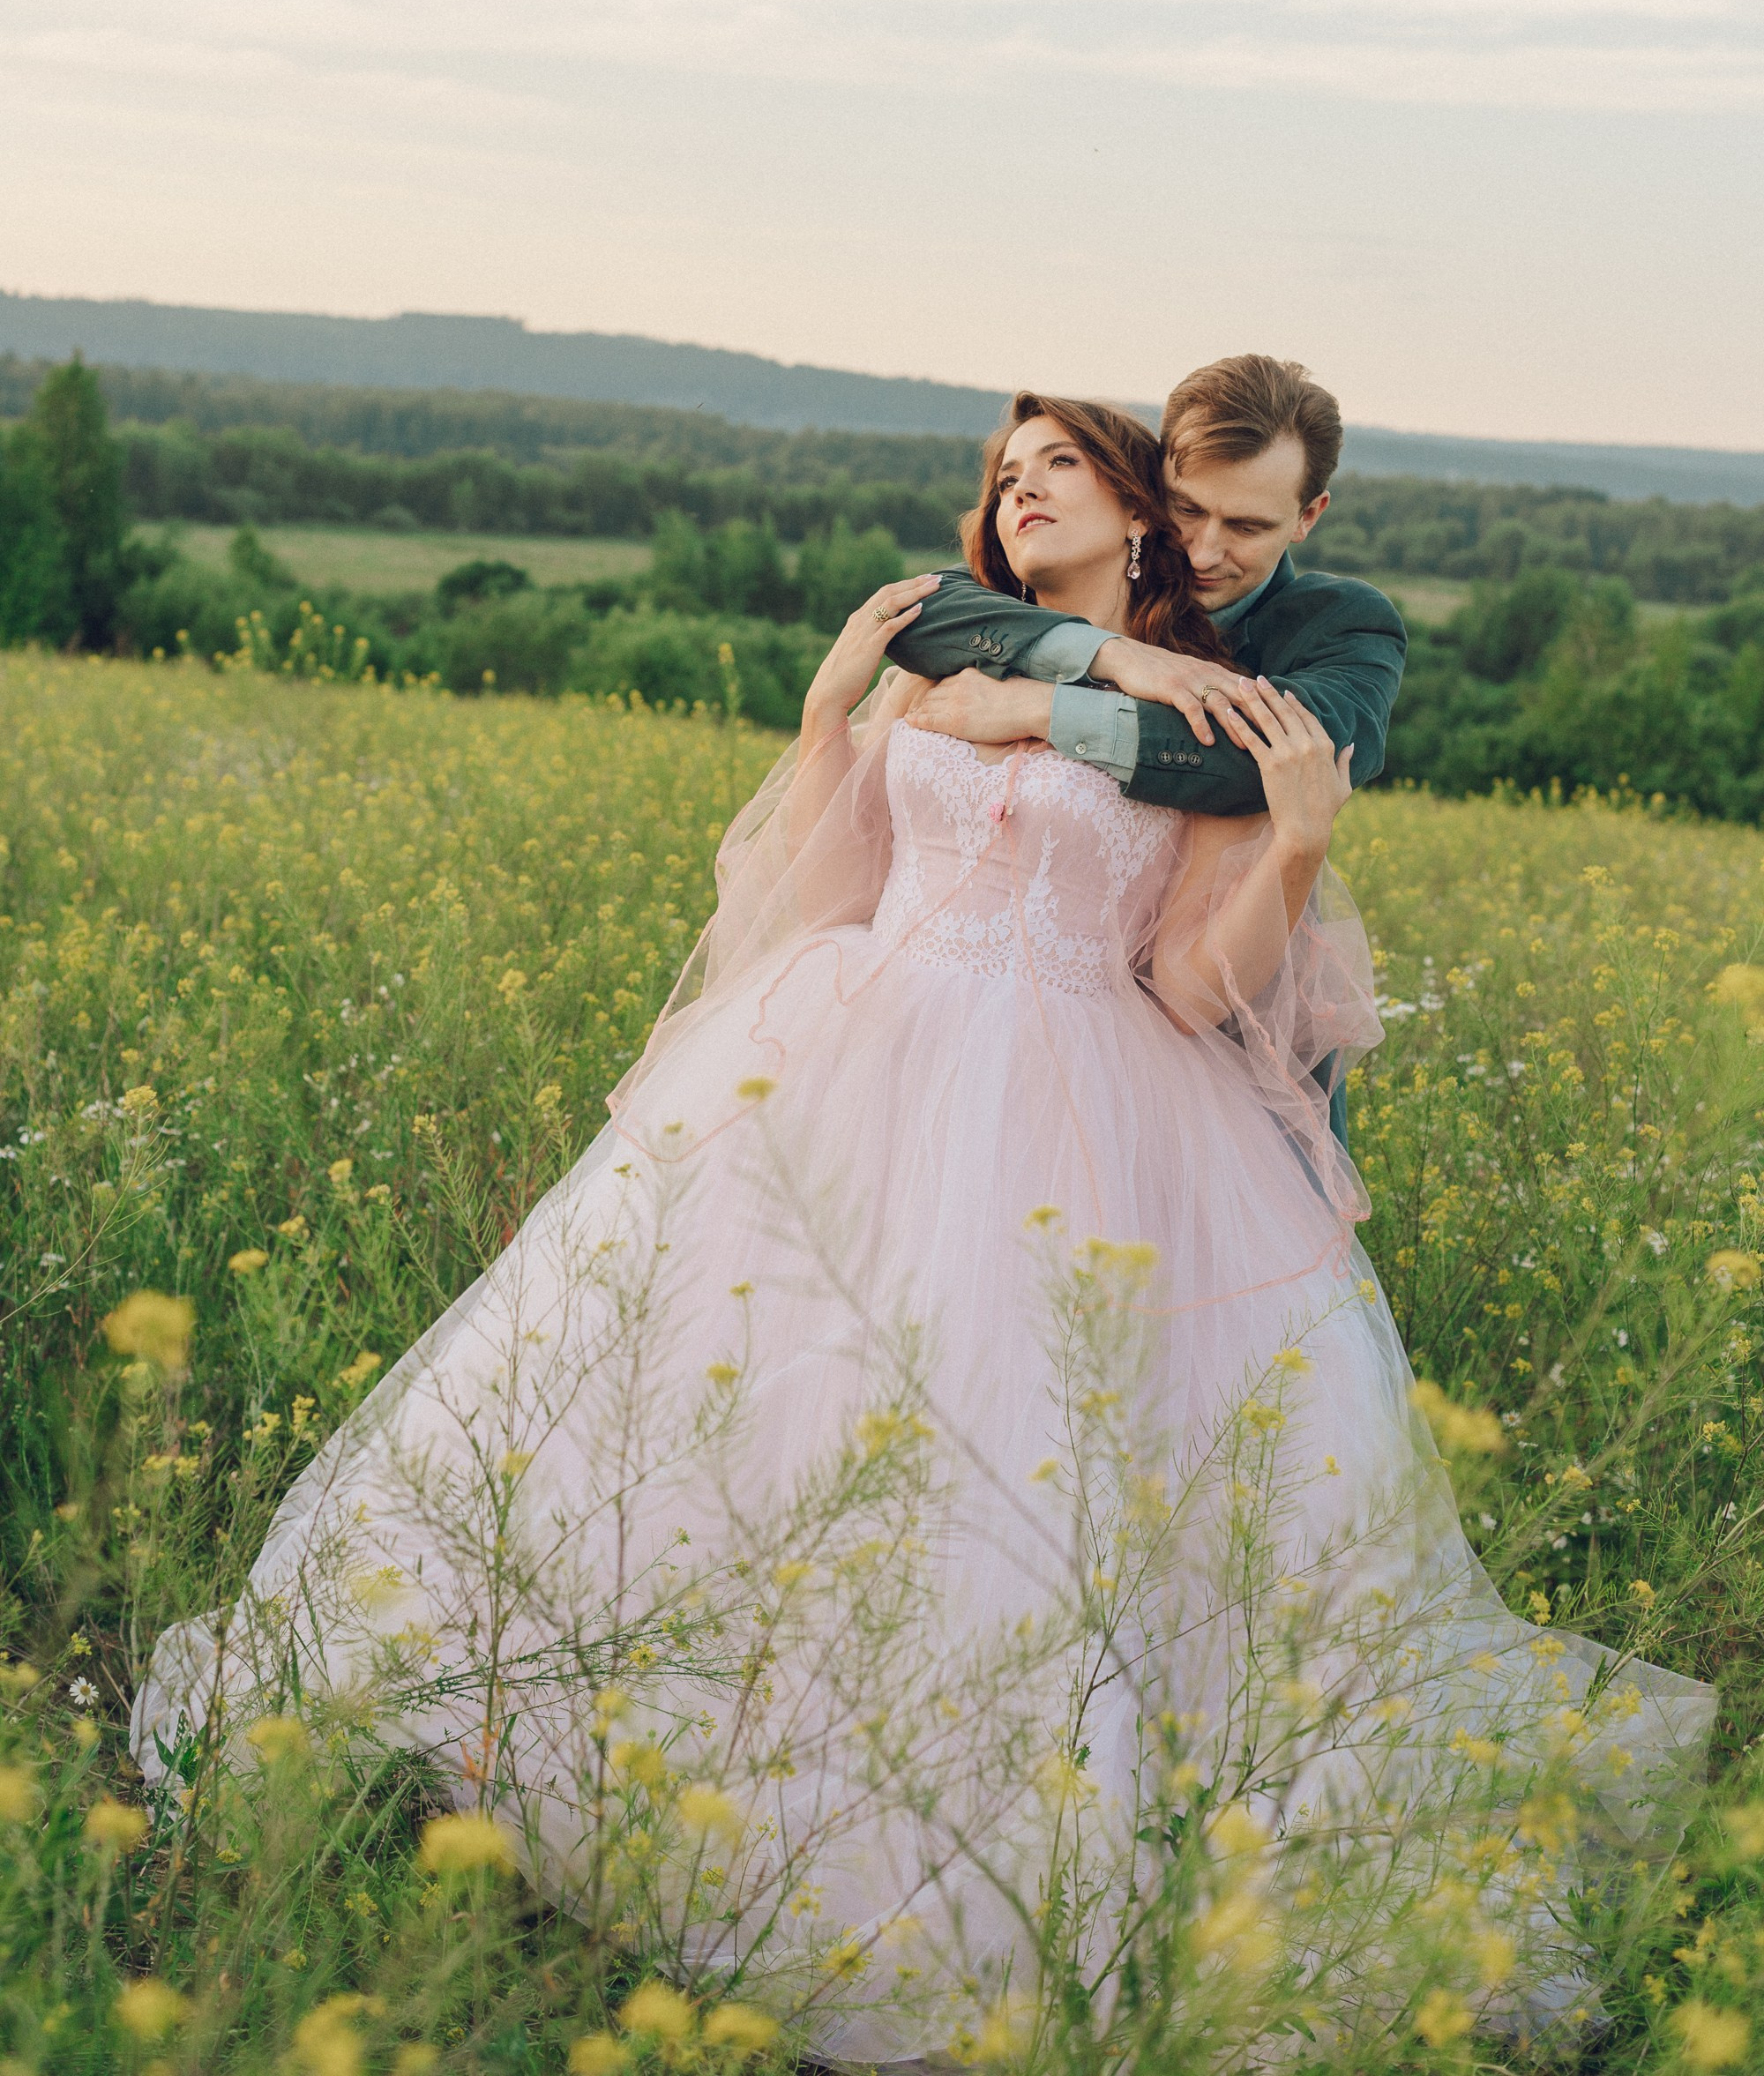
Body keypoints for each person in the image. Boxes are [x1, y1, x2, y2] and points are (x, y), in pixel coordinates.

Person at [133, 396, 1709, 2060]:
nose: (1020, 493)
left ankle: (940, 1847)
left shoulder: (1216, 711)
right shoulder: (936, 654)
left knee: (1003, 1466)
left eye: (1060, 470)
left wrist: (1298, 839)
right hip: (842, 1060)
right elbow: (819, 905)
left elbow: (1191, 987)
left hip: (1078, 1110)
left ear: (1137, 511)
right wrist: (830, 722)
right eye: (1003, 475)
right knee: (713, 1414)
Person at [886, 355, 1409, 1150]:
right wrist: (1111, 656)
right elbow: (931, 611)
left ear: (1309, 516)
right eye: (1187, 510)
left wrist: (1043, 706)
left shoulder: (1341, 625)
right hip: (998, 1031)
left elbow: (1254, 762)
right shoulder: (1079, 576)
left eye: (1247, 527)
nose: (1202, 551)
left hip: (1222, 1061)